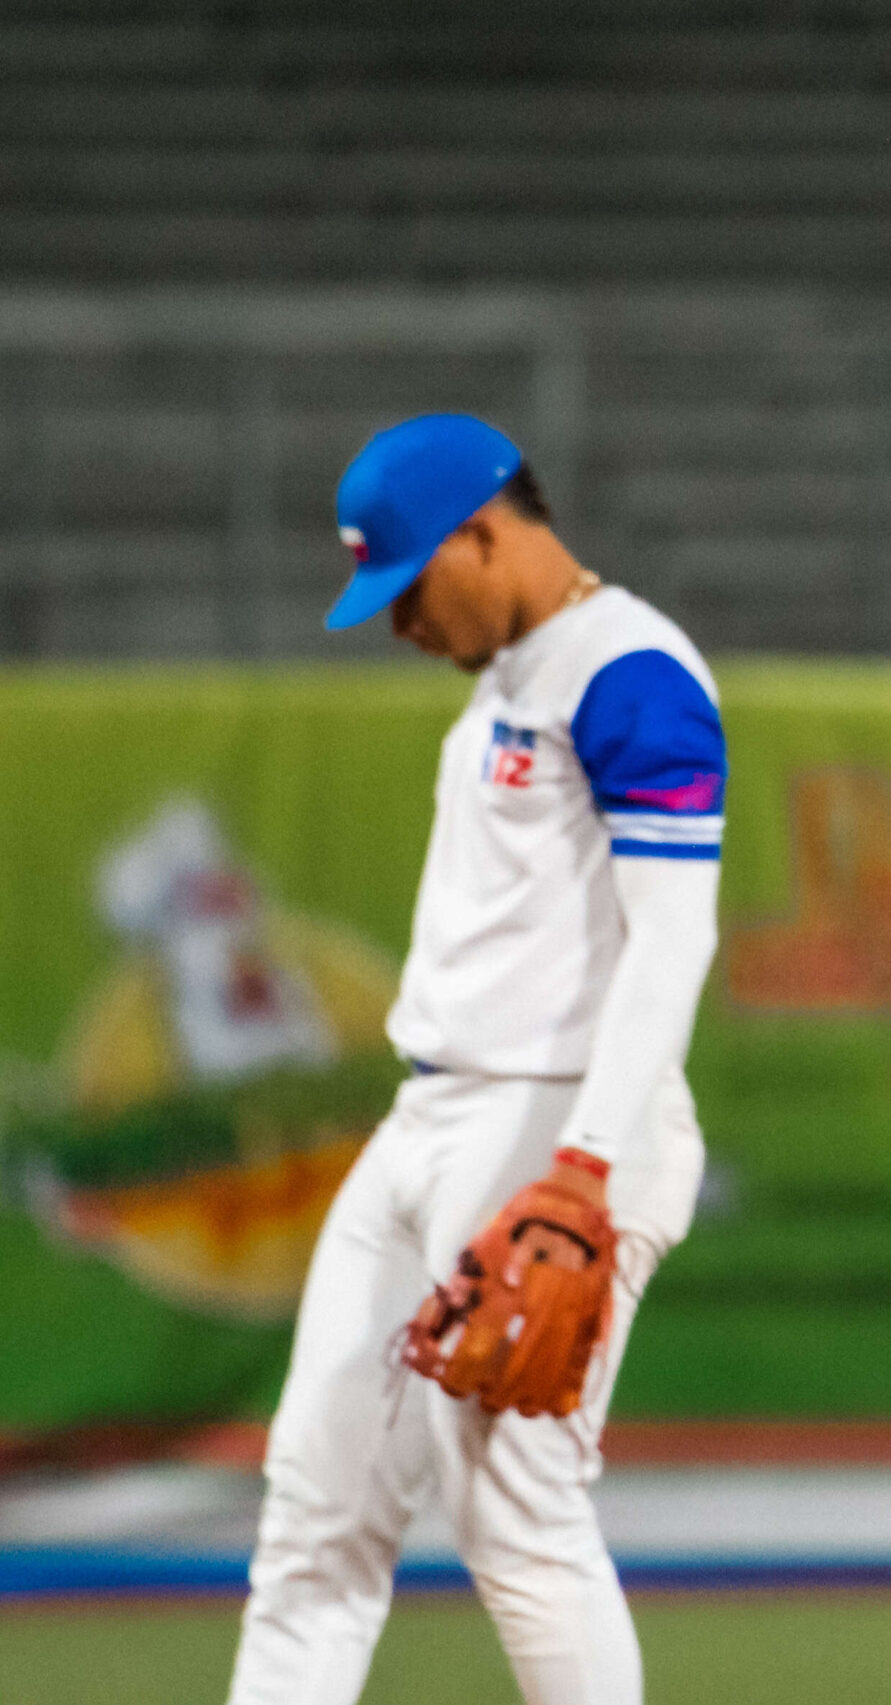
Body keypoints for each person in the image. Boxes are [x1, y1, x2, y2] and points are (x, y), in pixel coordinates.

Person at [228, 414, 724, 1705]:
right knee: (315, 1513)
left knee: (518, 1516)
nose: (399, 621)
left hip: (558, 1125)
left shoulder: (628, 668)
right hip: (432, 1117)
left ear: (484, 532)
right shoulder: (513, 675)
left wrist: (583, 1171)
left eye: (409, 584)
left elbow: (675, 937)